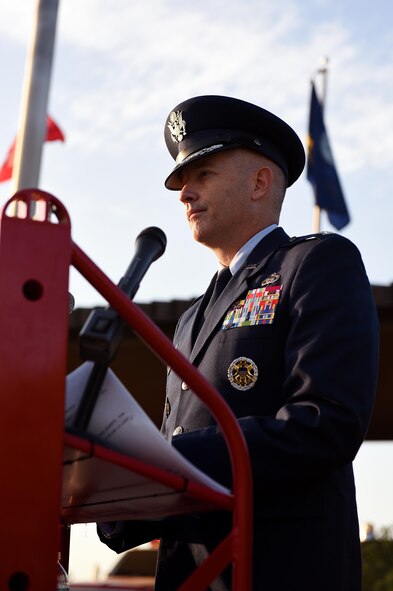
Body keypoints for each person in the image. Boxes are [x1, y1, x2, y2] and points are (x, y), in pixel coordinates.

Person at [97, 95, 379, 590]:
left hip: (277, 571)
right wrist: (118, 494)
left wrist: (164, 463)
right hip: (192, 575)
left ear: (260, 182)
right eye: (182, 182)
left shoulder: (316, 264)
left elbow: (325, 421)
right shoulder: (188, 320)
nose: (185, 194)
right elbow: (178, 446)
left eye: (202, 175)